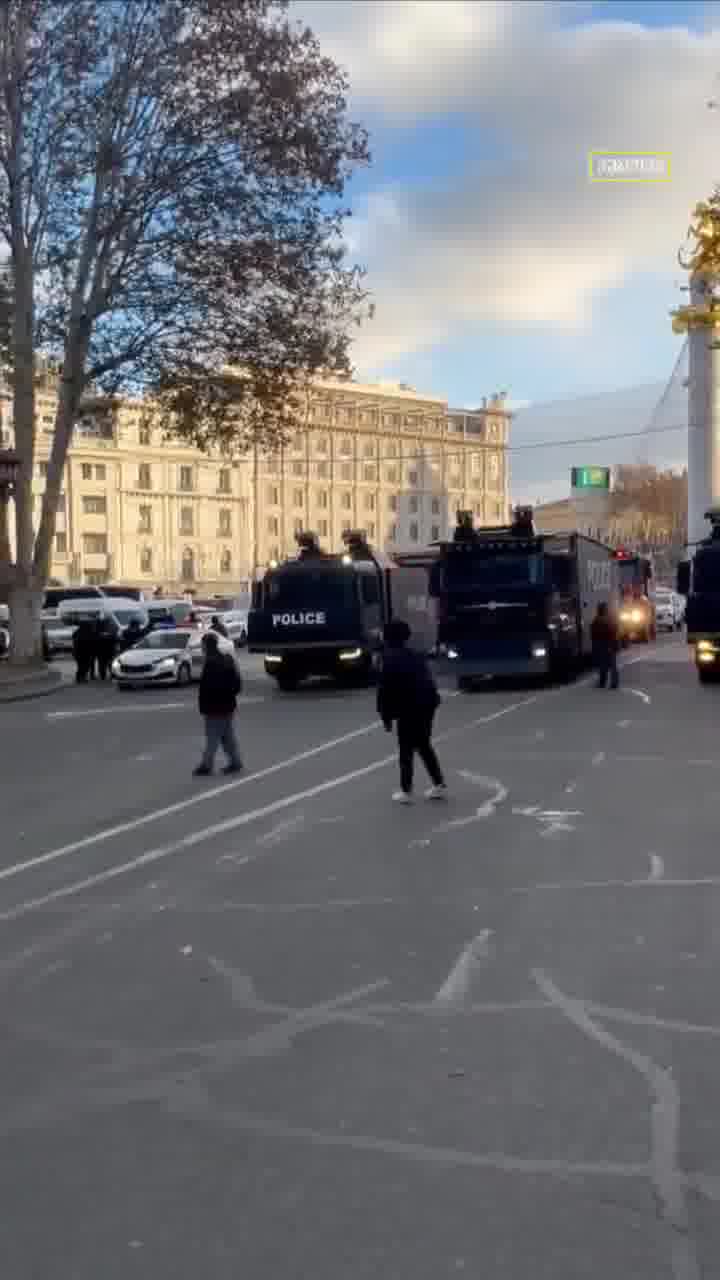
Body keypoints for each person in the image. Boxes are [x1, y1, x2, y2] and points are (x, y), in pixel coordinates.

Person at [376, 619, 447, 803]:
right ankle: (439, 784)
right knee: (423, 745)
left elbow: (385, 690)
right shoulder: (414, 655)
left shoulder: (388, 658)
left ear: (388, 637)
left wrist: (386, 717)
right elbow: (427, 681)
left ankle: (406, 790)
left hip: (408, 707)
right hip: (427, 704)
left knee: (406, 749)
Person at [193, 630, 243, 777]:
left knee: (212, 737)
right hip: (228, 704)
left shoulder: (210, 664)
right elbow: (237, 683)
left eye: (202, 645)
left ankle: (206, 765)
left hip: (215, 707)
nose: (201, 648)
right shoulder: (226, 659)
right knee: (227, 736)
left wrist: (204, 706)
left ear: (206, 646)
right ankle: (235, 761)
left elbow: (207, 689)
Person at [591, 601, 620, 689]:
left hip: (602, 645)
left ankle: (602, 682)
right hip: (610, 644)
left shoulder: (597, 620)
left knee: (603, 665)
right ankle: (614, 683)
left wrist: (595, 646)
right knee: (612, 665)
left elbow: (593, 634)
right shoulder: (610, 619)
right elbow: (615, 631)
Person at [95, 616, 118, 681]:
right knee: (109, 663)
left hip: (102, 651)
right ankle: (110, 675)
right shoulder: (110, 631)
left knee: (103, 664)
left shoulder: (98, 631)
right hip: (108, 650)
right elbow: (115, 639)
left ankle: (103, 676)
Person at [72, 619, 95, 683]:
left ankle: (80, 678)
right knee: (84, 666)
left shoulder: (77, 632)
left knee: (81, 666)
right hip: (84, 653)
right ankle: (81, 678)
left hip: (79, 653)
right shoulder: (88, 633)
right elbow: (90, 643)